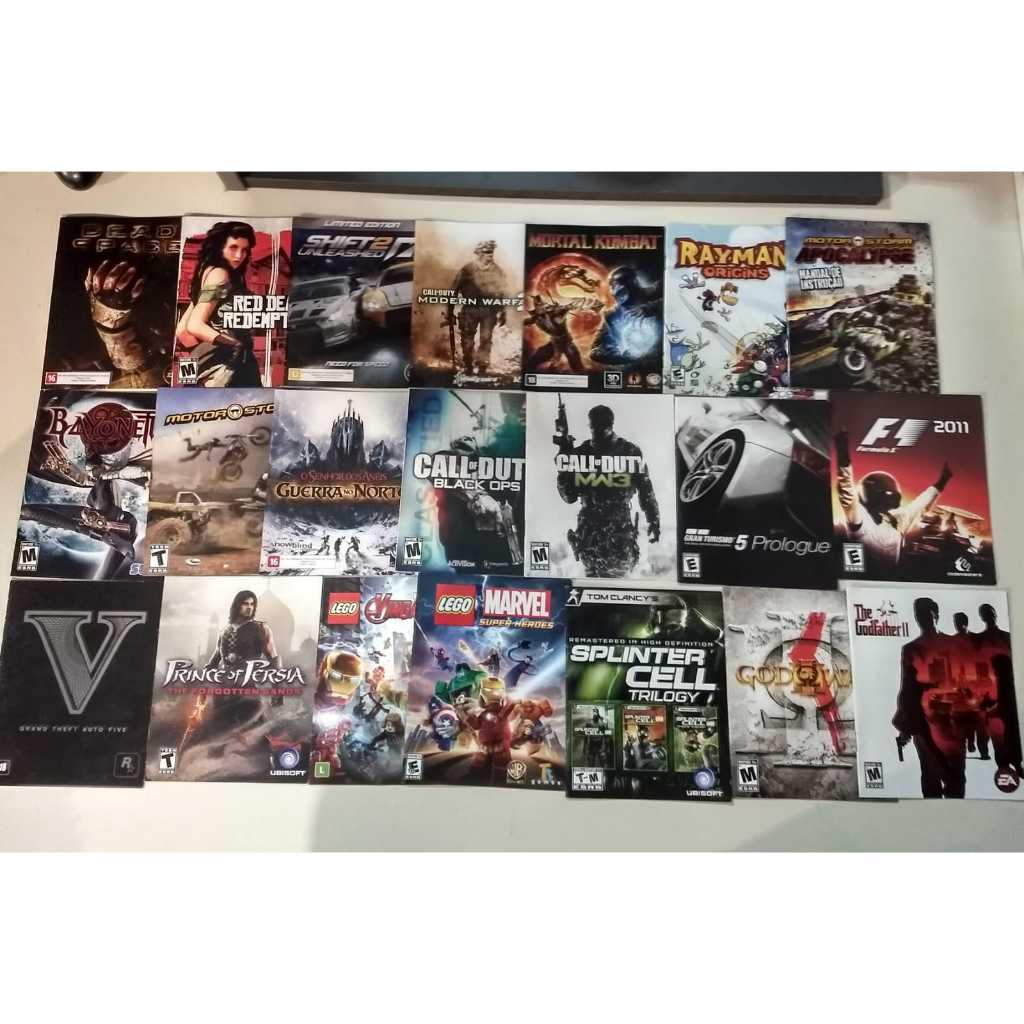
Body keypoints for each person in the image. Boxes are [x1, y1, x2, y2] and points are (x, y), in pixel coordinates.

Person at [555, 403, 660, 577]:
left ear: (610, 425)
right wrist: (563, 463)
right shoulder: (580, 454)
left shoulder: (629, 452)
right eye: (595, 427)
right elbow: (569, 496)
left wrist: (653, 519)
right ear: (590, 426)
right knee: (594, 585)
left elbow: (645, 489)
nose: (597, 431)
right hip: (590, 539)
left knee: (618, 583)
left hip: (618, 537)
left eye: (602, 427)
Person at [834, 428, 952, 570]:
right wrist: (843, 455)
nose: (888, 501)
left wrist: (942, 481)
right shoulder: (860, 520)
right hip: (866, 576)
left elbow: (920, 504)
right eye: (886, 496)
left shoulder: (895, 520)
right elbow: (847, 491)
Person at [174, 220, 263, 387]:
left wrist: (193, 373)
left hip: (220, 360)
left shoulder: (208, 272)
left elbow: (181, 331)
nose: (239, 256)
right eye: (233, 247)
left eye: (244, 250)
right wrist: (234, 345)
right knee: (252, 402)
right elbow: (195, 325)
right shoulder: (220, 275)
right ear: (220, 247)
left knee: (193, 398)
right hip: (233, 361)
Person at [893, 597, 964, 798]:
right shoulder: (911, 649)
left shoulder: (953, 645)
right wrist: (906, 729)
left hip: (952, 721)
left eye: (927, 614)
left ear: (936, 615)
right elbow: (908, 690)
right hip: (925, 723)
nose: (923, 619)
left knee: (955, 778)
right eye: (919, 615)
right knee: (930, 777)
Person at [449, 240, 509, 374]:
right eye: (487, 252)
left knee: (486, 339)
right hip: (470, 309)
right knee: (467, 339)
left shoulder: (497, 270)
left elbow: (503, 292)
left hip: (489, 311)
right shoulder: (468, 269)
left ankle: (482, 366)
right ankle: (468, 365)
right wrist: (450, 311)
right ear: (479, 253)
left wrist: (503, 312)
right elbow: (454, 290)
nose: (490, 255)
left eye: (491, 252)